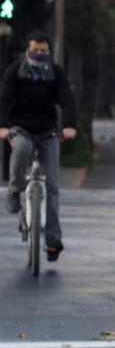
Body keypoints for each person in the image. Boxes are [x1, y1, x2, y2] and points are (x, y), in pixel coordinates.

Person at [0, 30, 78, 261]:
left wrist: (70, 125)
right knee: (21, 149)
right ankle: (15, 190)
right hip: (20, 128)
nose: (39, 54)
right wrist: (2, 126)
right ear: (28, 49)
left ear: (49, 52)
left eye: (43, 51)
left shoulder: (55, 74)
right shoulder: (15, 71)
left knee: (53, 186)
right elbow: (3, 99)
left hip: (48, 131)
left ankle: (53, 239)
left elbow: (67, 99)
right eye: (35, 50)